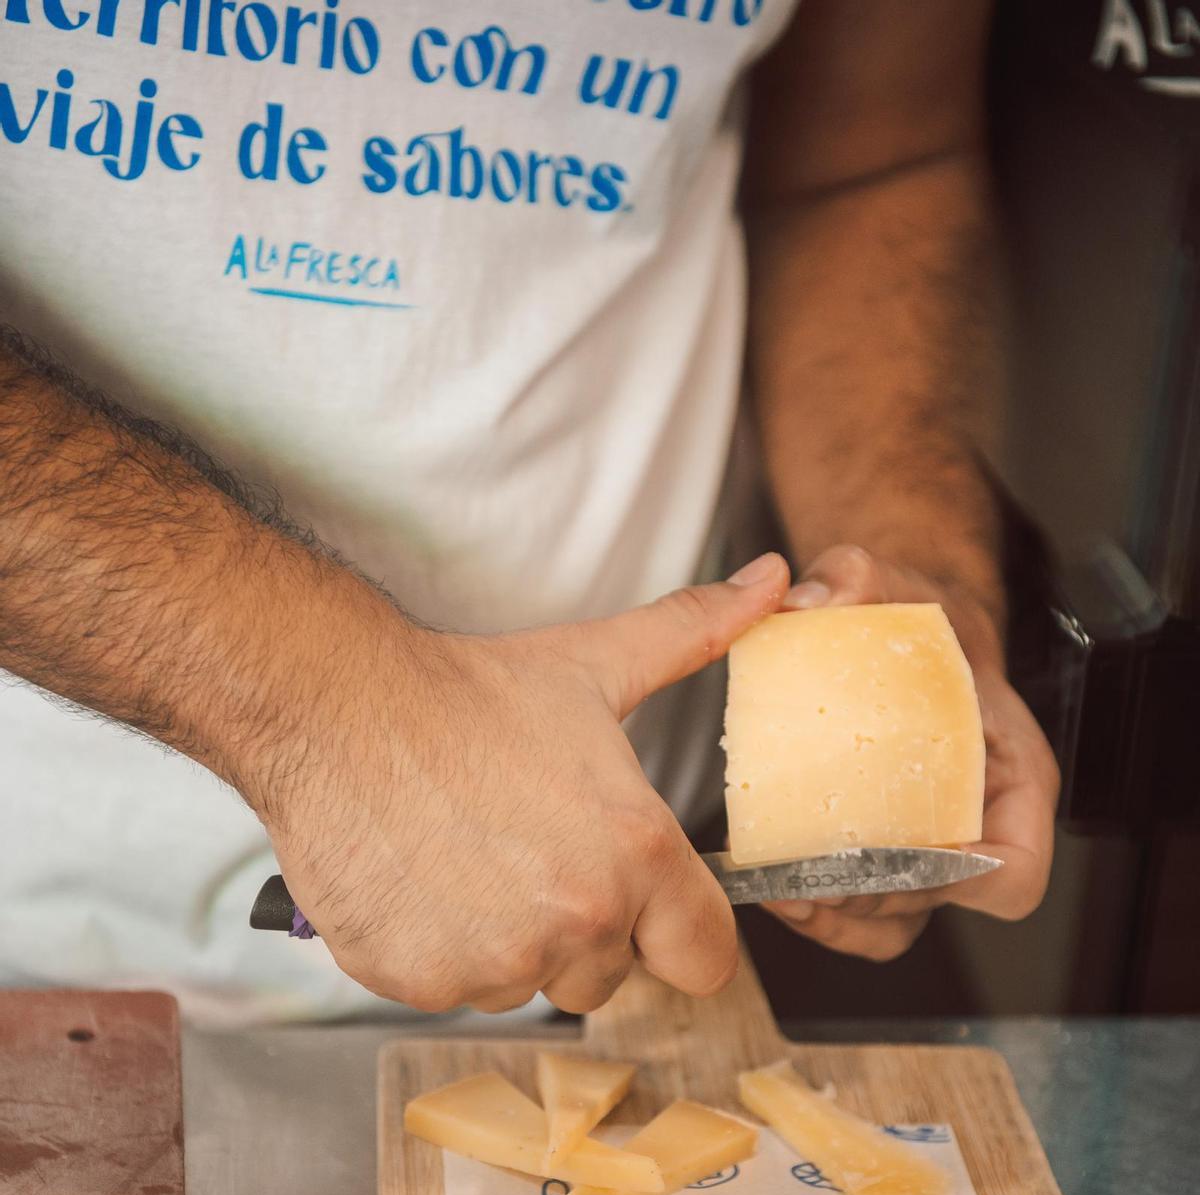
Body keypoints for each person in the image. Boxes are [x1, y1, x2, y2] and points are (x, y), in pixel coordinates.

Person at [0, 0, 1058, 1024]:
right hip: (36, 943)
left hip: (639, 897)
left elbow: (867, 161)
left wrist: (910, 610)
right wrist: (322, 708)